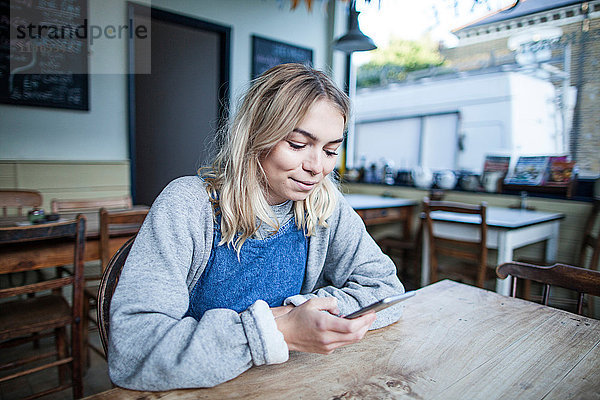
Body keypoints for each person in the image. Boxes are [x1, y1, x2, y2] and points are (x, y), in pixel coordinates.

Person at [108, 63, 405, 390]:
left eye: (331, 150)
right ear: (254, 135)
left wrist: (304, 313)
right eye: (296, 144)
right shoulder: (188, 204)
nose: (317, 167)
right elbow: (134, 353)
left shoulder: (324, 205)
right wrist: (281, 329)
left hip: (285, 384)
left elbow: (386, 289)